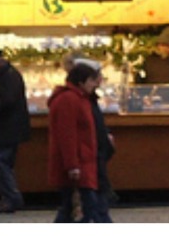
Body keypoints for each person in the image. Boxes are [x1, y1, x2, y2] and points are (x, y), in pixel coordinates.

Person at [48, 61, 101, 223]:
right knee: (87, 208)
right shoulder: (70, 100)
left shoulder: (78, 98)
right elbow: (67, 135)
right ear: (81, 81)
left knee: (71, 209)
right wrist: (72, 165)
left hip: (82, 161)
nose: (95, 84)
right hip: (78, 164)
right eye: (92, 80)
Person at [0, 49, 31, 214]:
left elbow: (5, 102)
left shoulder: (8, 77)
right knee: (3, 163)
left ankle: (11, 197)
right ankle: (9, 197)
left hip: (7, 129)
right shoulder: (8, 75)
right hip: (9, 128)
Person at [67, 56, 116, 222]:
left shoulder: (87, 98)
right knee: (92, 206)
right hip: (88, 157)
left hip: (93, 155)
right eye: (95, 78)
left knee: (88, 207)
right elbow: (71, 133)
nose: (98, 81)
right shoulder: (78, 99)